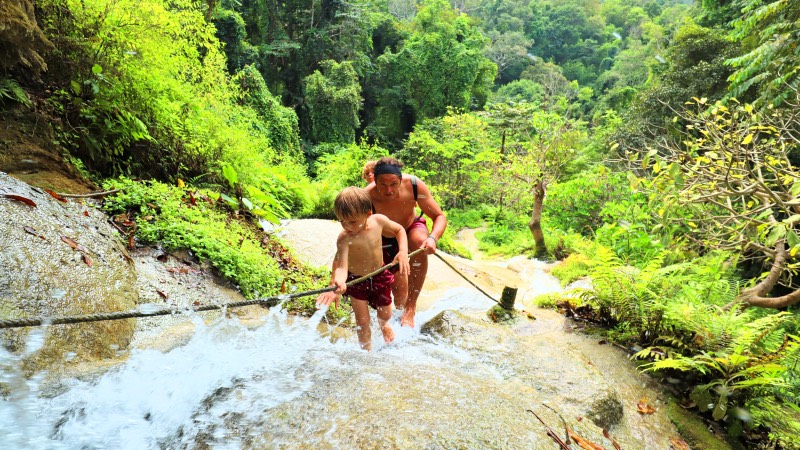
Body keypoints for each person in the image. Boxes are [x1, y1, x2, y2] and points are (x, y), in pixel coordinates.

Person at [316, 187, 410, 351]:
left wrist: (402, 251)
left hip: (379, 275)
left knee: (385, 313)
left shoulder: (378, 221)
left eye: (352, 221)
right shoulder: (344, 238)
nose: (347, 226)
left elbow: (399, 230)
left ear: (367, 214)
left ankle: (384, 325)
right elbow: (342, 266)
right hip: (356, 280)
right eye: (342, 221)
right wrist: (338, 282)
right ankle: (365, 351)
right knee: (363, 321)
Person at [366, 157, 447, 328]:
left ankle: (411, 308)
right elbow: (358, 230)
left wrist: (433, 238)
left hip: (411, 227)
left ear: (401, 180)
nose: (389, 190)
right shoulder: (367, 196)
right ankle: (397, 311)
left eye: (394, 184)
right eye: (383, 185)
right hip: (384, 237)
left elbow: (439, 216)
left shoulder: (415, 185)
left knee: (419, 241)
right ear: (375, 181)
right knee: (398, 296)